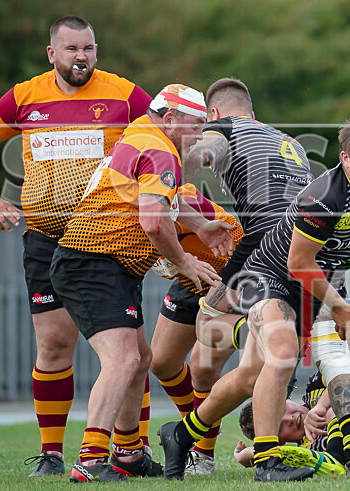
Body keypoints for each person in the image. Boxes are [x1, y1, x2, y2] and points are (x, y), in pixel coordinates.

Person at [159, 115, 350, 482]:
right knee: (283, 353)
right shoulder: (325, 197)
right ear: (345, 158)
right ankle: (267, 461)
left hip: (323, 280)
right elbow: (299, 261)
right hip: (271, 276)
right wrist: (338, 306)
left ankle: (180, 436)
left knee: (307, 365)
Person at [0, 16, 152, 477]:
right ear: (53, 54)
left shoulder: (124, 94)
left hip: (106, 242)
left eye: (88, 48)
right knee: (52, 345)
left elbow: (161, 139)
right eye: (72, 49)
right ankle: (51, 455)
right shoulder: (26, 96)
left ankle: (132, 451)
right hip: (46, 239)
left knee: (130, 351)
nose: (82, 57)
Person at [50, 84, 235, 482]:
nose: (200, 135)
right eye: (195, 124)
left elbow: (159, 201)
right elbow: (154, 221)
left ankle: (129, 454)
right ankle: (90, 460)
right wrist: (183, 261)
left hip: (105, 263)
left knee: (141, 360)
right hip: (94, 261)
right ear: (170, 119)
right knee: (124, 360)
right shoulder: (161, 148)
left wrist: (200, 226)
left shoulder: (140, 132)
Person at [151, 77, 312, 476]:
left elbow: (207, 150)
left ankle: (202, 448)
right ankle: (190, 443)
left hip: (260, 250)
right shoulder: (290, 143)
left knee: (212, 335)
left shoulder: (222, 130)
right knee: (224, 368)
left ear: (213, 115)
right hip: (298, 252)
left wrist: (173, 163)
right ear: (253, 114)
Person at [149, 182, 244, 475]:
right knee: (162, 361)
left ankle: (202, 455)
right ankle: (195, 424)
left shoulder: (174, 195)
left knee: (202, 367)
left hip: (232, 275)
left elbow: (157, 226)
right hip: (192, 276)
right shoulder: (121, 199)